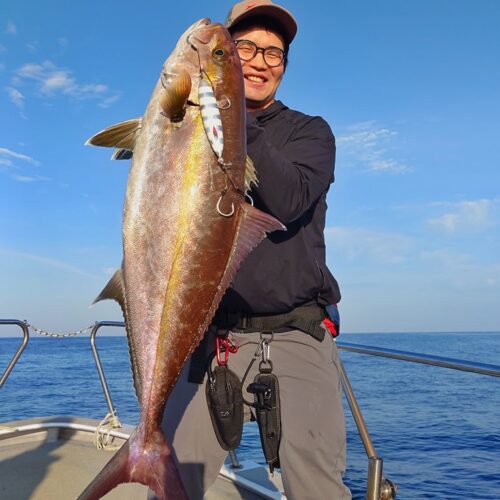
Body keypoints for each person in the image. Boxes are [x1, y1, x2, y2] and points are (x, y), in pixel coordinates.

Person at [157, 1, 351, 499]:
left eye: (274, 53)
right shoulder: (191, 124)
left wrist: (230, 109)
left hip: (295, 332)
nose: (260, 61)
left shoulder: (309, 131)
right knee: (170, 481)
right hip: (209, 337)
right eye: (243, 48)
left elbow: (289, 199)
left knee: (318, 488)